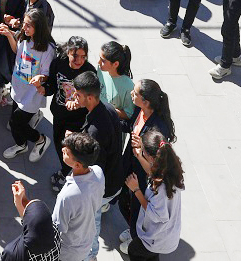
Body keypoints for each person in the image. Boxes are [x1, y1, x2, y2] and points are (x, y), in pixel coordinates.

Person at [72, 71, 124, 258]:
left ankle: (90, 255)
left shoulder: (95, 131)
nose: (74, 97)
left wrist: (73, 147)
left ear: (90, 97)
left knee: (90, 223)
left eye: (77, 95)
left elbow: (93, 170)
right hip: (115, 177)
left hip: (104, 188)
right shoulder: (108, 109)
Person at [118, 80, 176, 231]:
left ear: (146, 101)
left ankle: (135, 233)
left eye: (135, 93)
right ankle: (132, 226)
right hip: (129, 161)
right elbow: (131, 126)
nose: (131, 94)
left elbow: (155, 166)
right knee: (123, 199)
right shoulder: (139, 110)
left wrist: (141, 148)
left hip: (143, 173)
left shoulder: (158, 128)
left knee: (137, 203)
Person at [41, 35, 97, 190]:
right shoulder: (59, 63)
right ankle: (66, 169)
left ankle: (68, 173)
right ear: (68, 52)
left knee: (73, 150)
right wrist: (43, 88)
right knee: (60, 144)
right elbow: (52, 85)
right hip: (59, 114)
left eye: (83, 57)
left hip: (78, 120)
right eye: (75, 56)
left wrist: (79, 103)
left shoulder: (89, 72)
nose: (79, 60)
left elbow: (93, 100)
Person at [0, 9, 55, 161]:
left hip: (32, 95)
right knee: (14, 124)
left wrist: (40, 78)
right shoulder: (25, 38)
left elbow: (46, 73)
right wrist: (10, 35)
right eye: (24, 23)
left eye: (29, 25)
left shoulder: (47, 49)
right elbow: (17, 51)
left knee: (15, 123)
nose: (25, 28)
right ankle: (23, 142)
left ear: (39, 27)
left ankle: (39, 140)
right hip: (18, 87)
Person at [121, 130, 184, 260]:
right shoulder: (170, 169)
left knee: (134, 251)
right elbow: (154, 173)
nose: (141, 151)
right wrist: (139, 156)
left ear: (151, 157)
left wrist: (136, 189)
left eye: (143, 150)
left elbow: (156, 214)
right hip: (166, 235)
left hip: (156, 238)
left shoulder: (161, 189)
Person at [46, 132, 104, 261]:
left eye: (66, 152)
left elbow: (58, 227)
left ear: (77, 165)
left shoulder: (67, 196)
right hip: (86, 241)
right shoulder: (98, 172)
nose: (62, 150)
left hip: (68, 251)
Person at [0, 185, 59, 261]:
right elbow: (33, 225)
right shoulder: (55, 233)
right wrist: (20, 202)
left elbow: (31, 224)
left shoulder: (12, 253)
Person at [98, 41, 135, 119]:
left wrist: (108, 110)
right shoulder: (101, 70)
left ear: (115, 64)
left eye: (103, 61)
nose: (99, 62)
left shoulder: (128, 86)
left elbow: (129, 114)